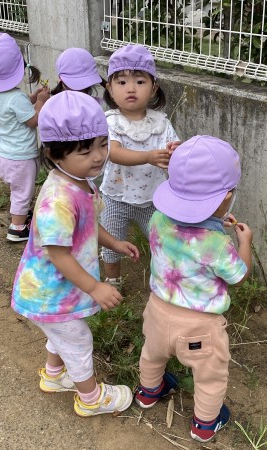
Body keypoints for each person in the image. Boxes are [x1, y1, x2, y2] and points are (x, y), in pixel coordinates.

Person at [11, 90, 140, 417]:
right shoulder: (59, 200)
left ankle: (54, 375)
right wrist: (95, 287)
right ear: (54, 154)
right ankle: (90, 398)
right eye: (85, 150)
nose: (98, 157)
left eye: (102, 144)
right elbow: (59, 254)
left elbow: (87, 225)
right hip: (49, 292)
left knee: (63, 331)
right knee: (78, 339)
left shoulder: (81, 180)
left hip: (60, 290)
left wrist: (113, 243)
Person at [134, 135, 254, 443]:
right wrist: (245, 243)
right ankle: (204, 424)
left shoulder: (157, 220)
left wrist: (215, 220)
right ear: (227, 197)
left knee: (152, 355)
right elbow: (239, 276)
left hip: (158, 311)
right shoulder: (217, 244)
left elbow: (184, 229)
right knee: (210, 376)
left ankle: (148, 392)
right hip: (200, 327)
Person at [100, 44, 179, 287]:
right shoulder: (110, 121)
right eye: (122, 82)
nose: (131, 88)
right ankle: (113, 279)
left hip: (153, 200)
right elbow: (114, 153)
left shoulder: (161, 123)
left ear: (154, 88)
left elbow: (173, 150)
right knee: (112, 240)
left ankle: (165, 281)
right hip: (116, 196)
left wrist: (176, 151)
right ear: (110, 88)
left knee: (162, 241)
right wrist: (148, 156)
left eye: (140, 81)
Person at [0, 32, 50, 242]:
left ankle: (20, 215)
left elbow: (17, 108)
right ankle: (17, 228)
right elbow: (33, 120)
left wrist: (33, 98)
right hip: (21, 159)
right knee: (22, 193)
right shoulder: (17, 97)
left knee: (18, 189)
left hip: (4, 155)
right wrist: (42, 102)